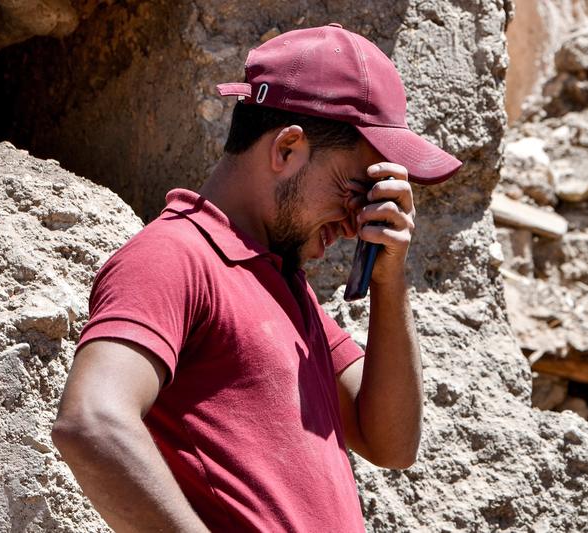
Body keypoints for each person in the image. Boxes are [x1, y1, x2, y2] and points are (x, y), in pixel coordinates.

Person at [51, 23, 462, 532]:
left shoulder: (284, 283)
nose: (357, 221)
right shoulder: (174, 256)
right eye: (356, 190)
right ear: (287, 149)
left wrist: (389, 276)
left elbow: (391, 444)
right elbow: (91, 421)